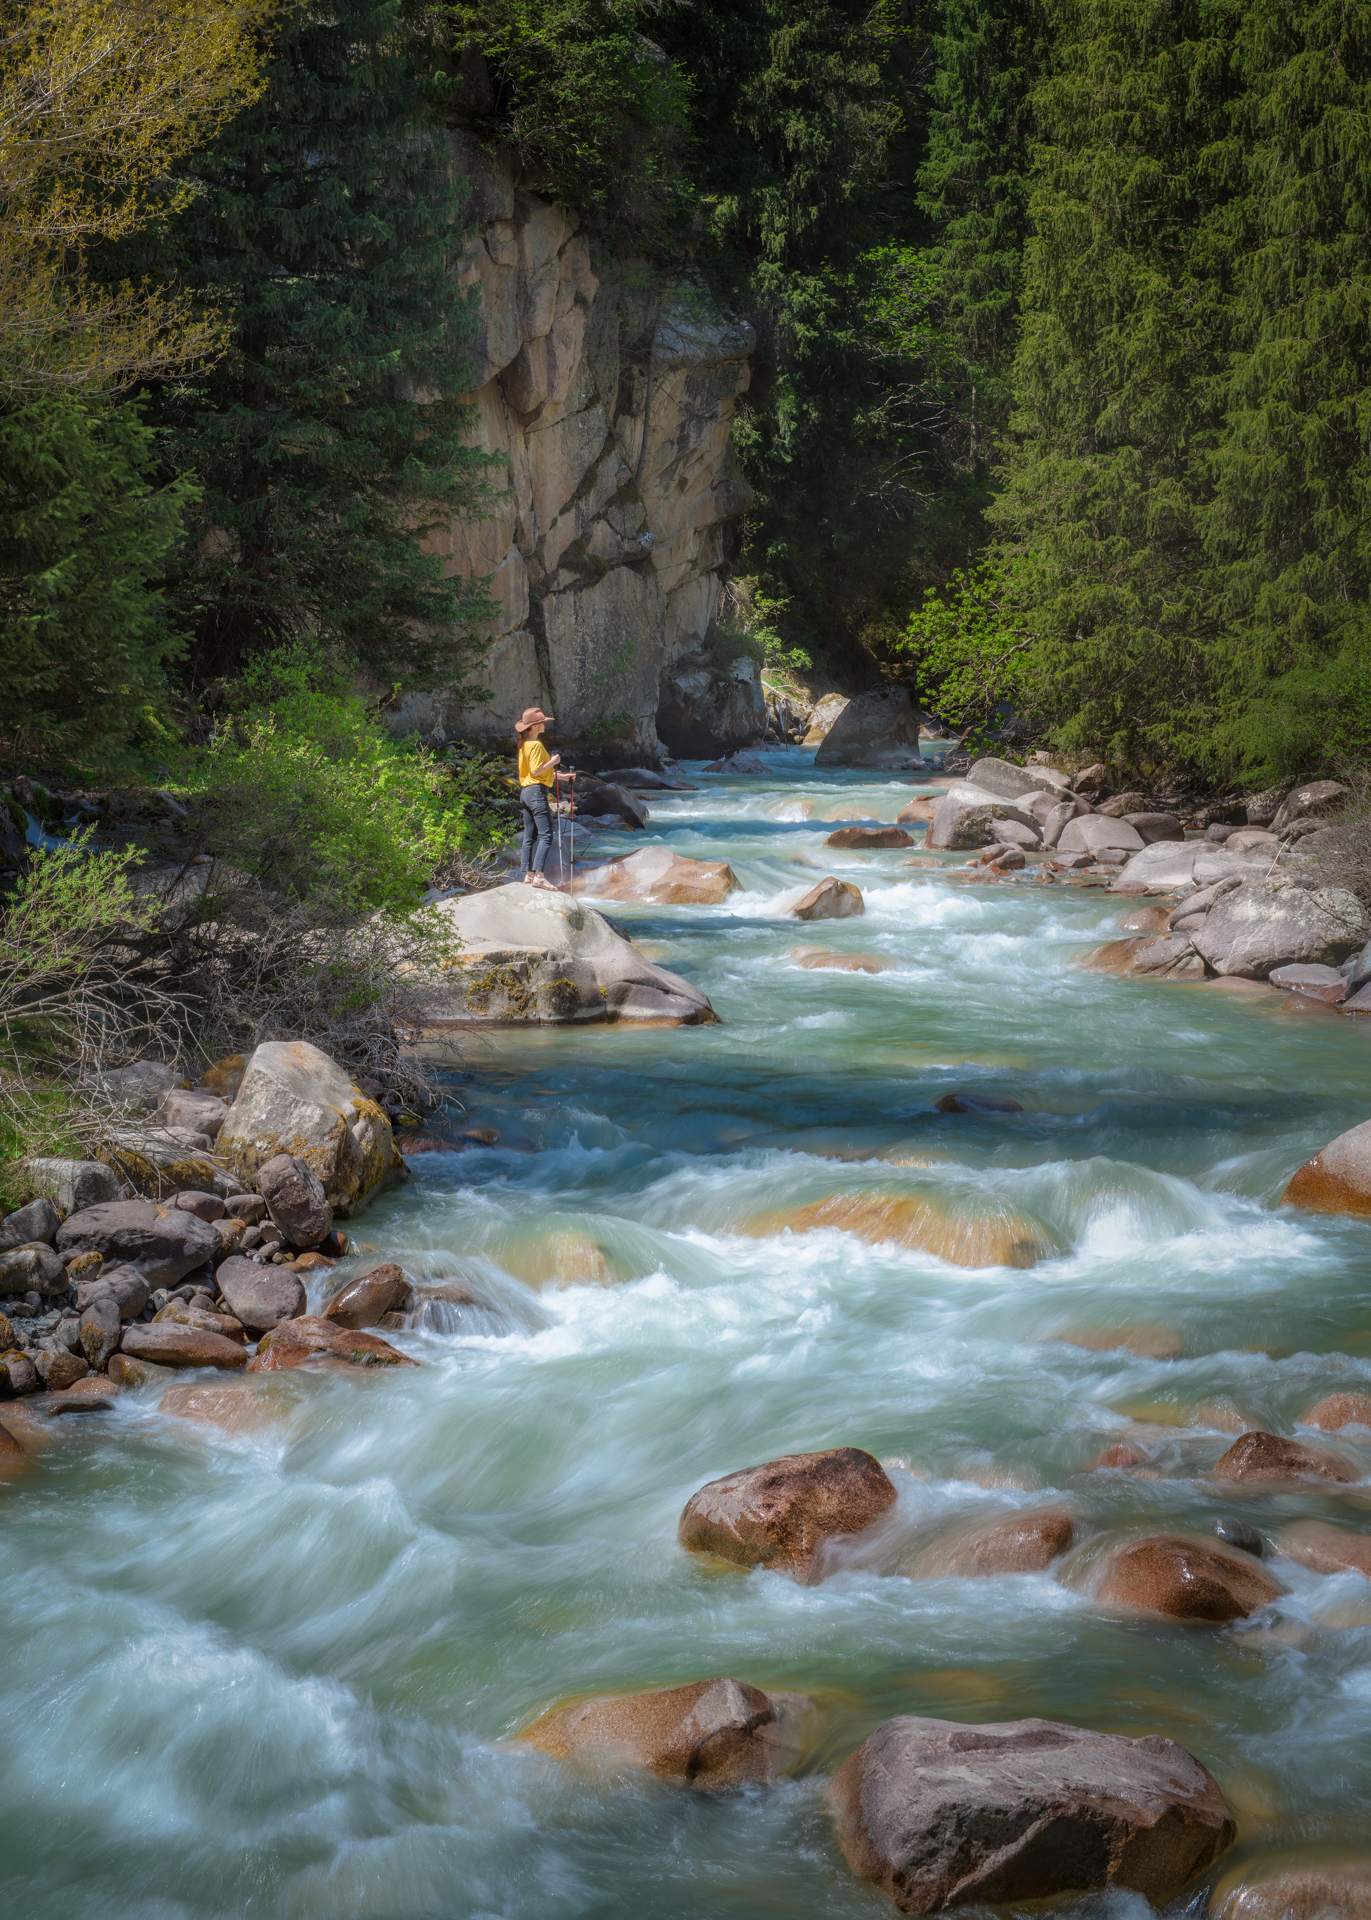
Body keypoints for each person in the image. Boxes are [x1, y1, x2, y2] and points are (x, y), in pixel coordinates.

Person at [515, 706, 561, 887]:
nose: (544, 725)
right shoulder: (536, 745)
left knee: (529, 836)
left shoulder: (524, 745)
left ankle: (528, 874)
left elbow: (533, 773)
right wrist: (552, 761)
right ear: (534, 726)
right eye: (542, 722)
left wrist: (563, 777)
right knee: (546, 835)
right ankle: (539, 877)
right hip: (536, 793)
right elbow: (536, 771)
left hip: (526, 793)